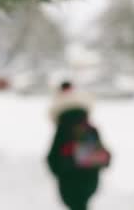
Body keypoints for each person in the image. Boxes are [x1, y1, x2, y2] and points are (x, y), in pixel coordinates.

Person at [47, 81, 111, 210]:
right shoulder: (89, 128)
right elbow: (105, 156)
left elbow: (52, 158)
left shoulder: (62, 129)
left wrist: (60, 171)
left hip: (69, 181)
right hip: (90, 180)